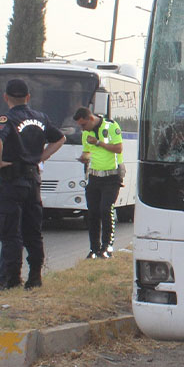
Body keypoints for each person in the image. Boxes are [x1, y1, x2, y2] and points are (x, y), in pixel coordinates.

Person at [0, 78, 66, 290]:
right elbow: (60, 139)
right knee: (33, 231)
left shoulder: (8, 118)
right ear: (28, 97)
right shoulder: (40, 117)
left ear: (6, 98)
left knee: (10, 232)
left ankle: (11, 279)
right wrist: (41, 157)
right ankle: (35, 277)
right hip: (33, 181)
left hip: (11, 181)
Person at [73, 106, 124, 259]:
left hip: (111, 176)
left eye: (83, 125)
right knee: (92, 212)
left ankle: (107, 246)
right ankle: (94, 249)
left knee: (105, 209)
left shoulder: (110, 126)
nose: (82, 129)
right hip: (94, 176)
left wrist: (98, 143)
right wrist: (84, 157)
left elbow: (118, 148)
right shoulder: (86, 133)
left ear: (91, 118)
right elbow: (87, 151)